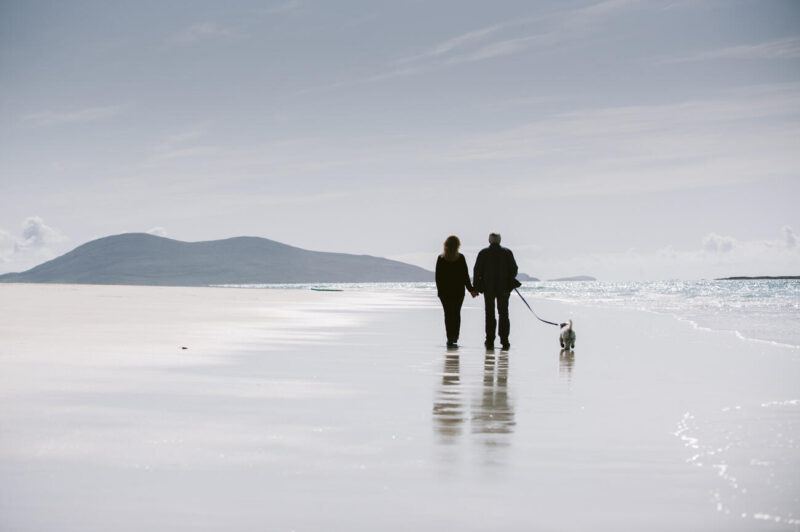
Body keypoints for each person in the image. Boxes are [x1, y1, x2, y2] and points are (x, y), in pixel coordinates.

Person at [473, 232, 518, 350]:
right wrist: (509, 279)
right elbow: (514, 269)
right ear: (500, 241)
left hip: (488, 287)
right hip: (504, 287)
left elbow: (477, 271)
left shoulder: (483, 253)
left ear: (489, 241)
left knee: (489, 313)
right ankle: (504, 340)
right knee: (504, 313)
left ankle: (489, 340)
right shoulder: (507, 252)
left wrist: (475, 287)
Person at [435, 235, 477, 347]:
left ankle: (449, 337)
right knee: (456, 313)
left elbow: (438, 277)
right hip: (458, 291)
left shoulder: (441, 258)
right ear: (458, 245)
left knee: (448, 314)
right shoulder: (460, 258)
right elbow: (465, 276)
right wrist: (471, 290)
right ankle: (455, 337)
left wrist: (440, 292)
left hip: (445, 292)